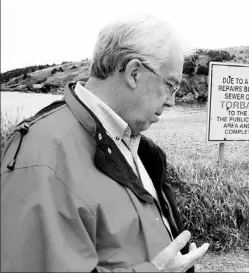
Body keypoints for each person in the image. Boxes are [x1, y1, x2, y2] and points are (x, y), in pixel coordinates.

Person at [1, 14, 209, 272]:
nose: (171, 101)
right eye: (171, 85)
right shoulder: (45, 155)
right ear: (134, 73)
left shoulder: (136, 145)